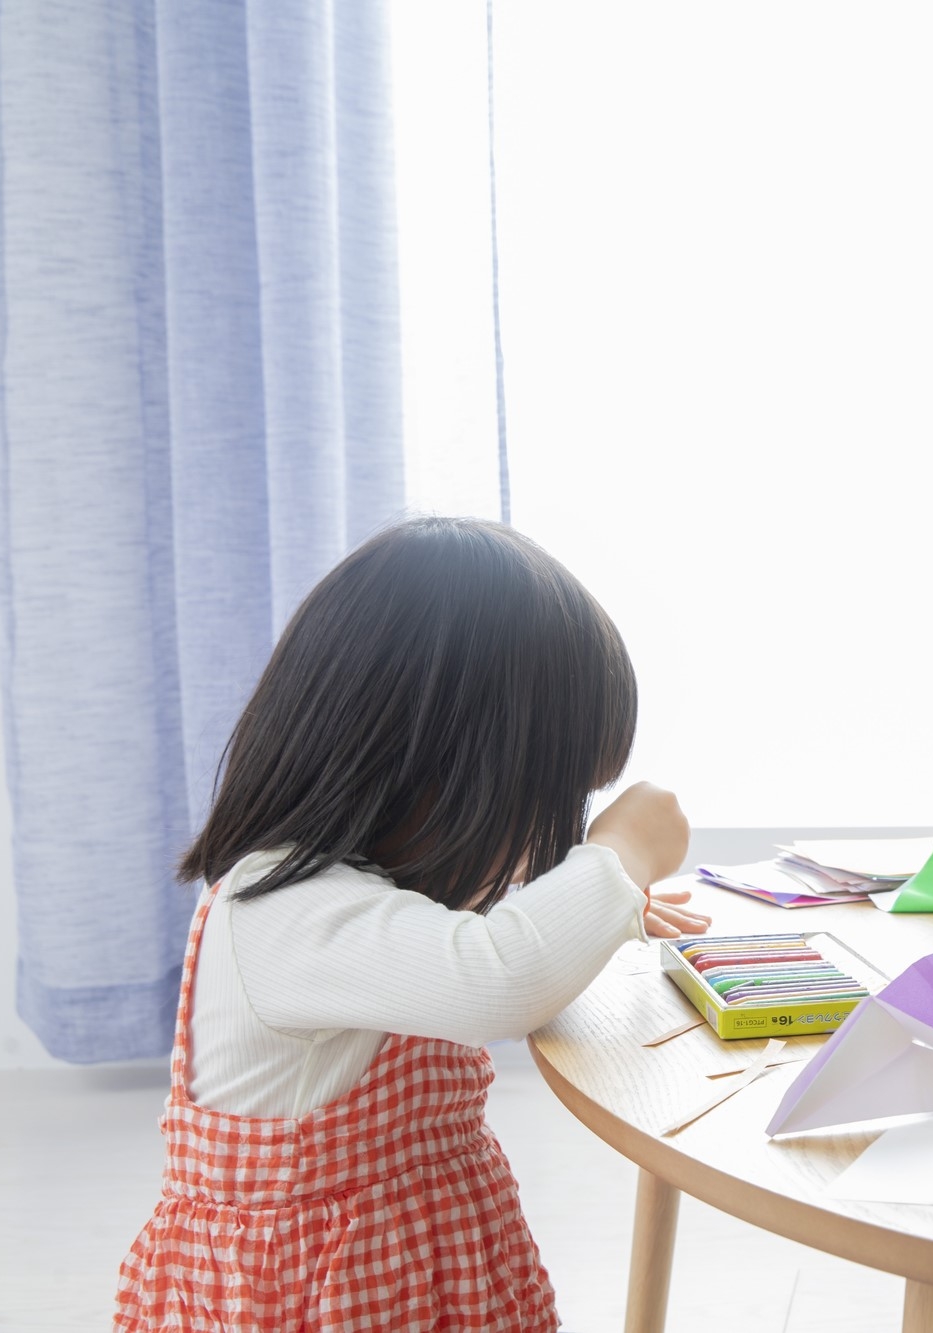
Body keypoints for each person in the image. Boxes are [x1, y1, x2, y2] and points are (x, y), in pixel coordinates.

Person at [114, 517, 711, 1331]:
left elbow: (493, 935)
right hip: (302, 1302)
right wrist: (619, 853)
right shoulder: (277, 907)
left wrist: (607, 911)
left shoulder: (381, 886)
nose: (544, 834)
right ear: (438, 763)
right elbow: (498, 979)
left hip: (414, 1278)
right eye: (543, 798)